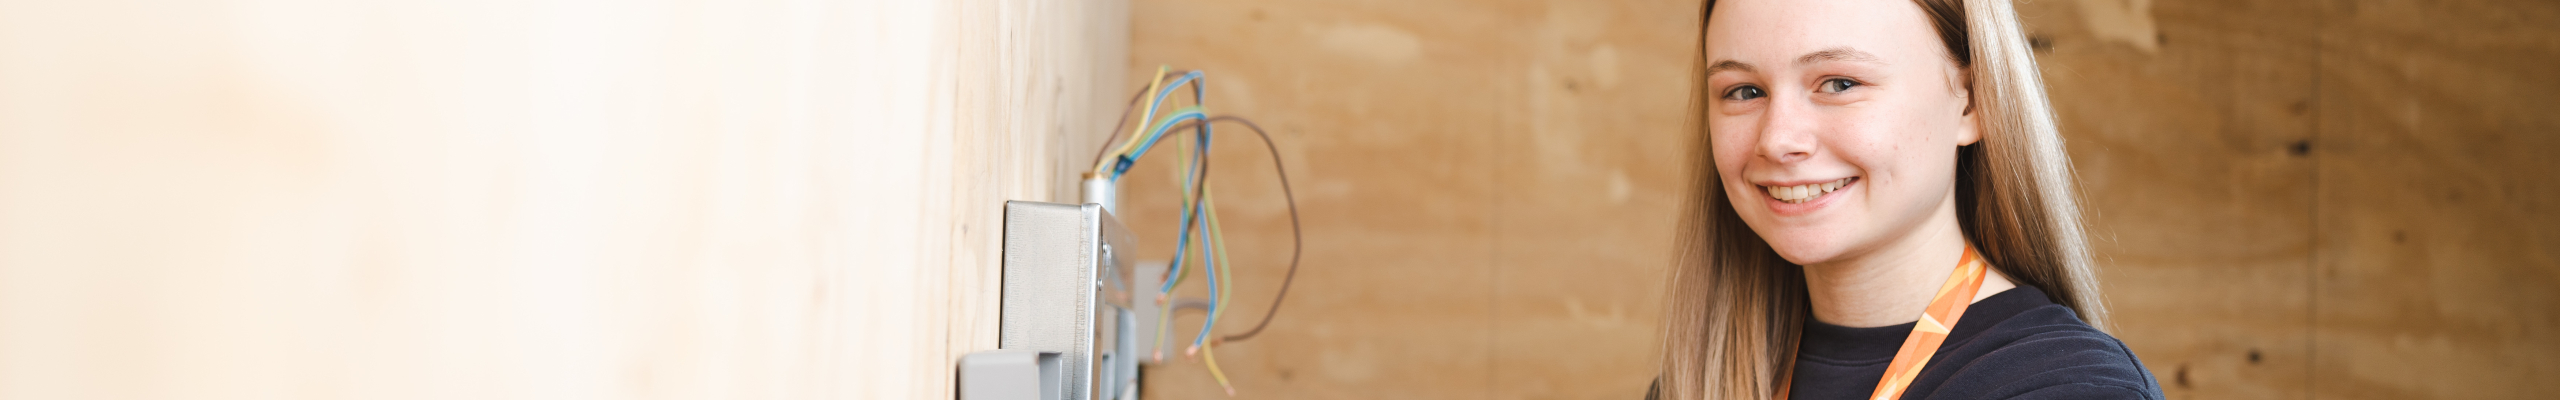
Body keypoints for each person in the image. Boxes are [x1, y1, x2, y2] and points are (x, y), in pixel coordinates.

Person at [1648, 0, 2166, 399]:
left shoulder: (2069, 388)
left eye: (1840, 82)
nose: (1777, 139)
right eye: (1743, 91)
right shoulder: (1696, 383)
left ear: (1973, 102)